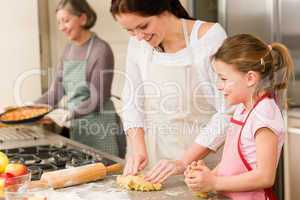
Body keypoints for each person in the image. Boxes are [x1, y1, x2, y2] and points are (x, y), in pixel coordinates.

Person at [110, 0, 231, 183]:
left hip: (204, 168)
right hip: (156, 165)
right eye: (130, 30)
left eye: (143, 26)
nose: (139, 36)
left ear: (164, 9)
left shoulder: (208, 38)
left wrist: (183, 162)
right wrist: (139, 150)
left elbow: (227, 111)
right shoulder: (138, 42)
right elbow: (132, 101)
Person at [184, 34, 293, 200]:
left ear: (250, 78)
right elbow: (232, 162)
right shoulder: (242, 109)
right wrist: (207, 177)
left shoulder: (265, 117)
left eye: (224, 79)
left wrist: (214, 183)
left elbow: (265, 176)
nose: (219, 86)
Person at [36, 0, 121, 156]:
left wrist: (67, 114)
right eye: (59, 22)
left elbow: (98, 97)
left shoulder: (100, 49)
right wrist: (30, 109)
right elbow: (56, 92)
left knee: (105, 172)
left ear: (82, 18)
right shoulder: (68, 49)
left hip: (101, 128)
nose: (61, 27)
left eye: (66, 21)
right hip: (77, 126)